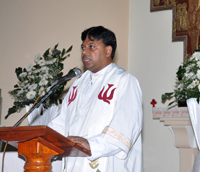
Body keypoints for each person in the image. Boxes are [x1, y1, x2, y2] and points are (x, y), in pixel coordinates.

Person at [48, 26, 143, 172]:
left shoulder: (124, 81)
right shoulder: (77, 85)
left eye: (91, 46)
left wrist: (91, 144)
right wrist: (45, 139)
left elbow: (126, 125)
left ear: (108, 50)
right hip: (75, 163)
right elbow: (61, 123)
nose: (84, 52)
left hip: (106, 162)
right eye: (83, 48)